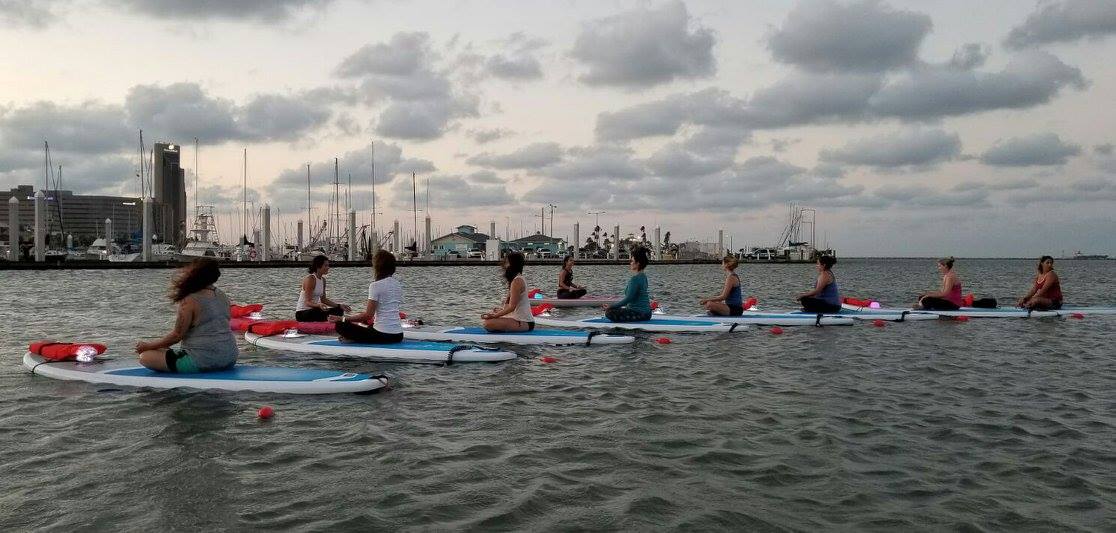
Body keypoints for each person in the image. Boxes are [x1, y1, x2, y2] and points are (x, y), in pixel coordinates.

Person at [134, 258, 238, 373]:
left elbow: (177, 336)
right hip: (230, 357)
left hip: (202, 361)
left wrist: (147, 346)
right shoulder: (222, 295)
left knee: (145, 356)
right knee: (162, 349)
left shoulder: (189, 300)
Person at [329, 250, 404, 344]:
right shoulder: (397, 284)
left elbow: (368, 315)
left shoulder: (375, 286)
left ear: (377, 267)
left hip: (383, 336)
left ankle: (352, 339)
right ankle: (354, 338)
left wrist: (342, 318)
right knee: (368, 325)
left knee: (340, 325)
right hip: (398, 335)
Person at [482, 252, 535, 332]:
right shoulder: (516, 279)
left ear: (512, 264)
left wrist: (494, 316)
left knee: (487, 323)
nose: (504, 266)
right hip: (518, 319)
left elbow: (512, 307)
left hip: (525, 322)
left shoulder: (517, 281)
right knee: (491, 317)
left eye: (506, 263)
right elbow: (511, 306)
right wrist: (499, 311)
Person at [295, 255, 350, 321]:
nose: (328, 267)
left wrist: (339, 305)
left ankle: (335, 320)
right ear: (318, 266)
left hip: (315, 310)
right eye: (326, 266)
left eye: (328, 265)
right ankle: (329, 320)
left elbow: (324, 299)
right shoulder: (311, 279)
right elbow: (307, 302)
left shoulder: (323, 280)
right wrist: (319, 305)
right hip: (302, 313)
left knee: (339, 310)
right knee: (318, 311)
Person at [606, 247, 653, 322]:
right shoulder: (644, 277)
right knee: (616, 309)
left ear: (638, 263)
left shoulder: (634, 279)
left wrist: (611, 307)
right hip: (648, 313)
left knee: (609, 312)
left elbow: (628, 299)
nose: (630, 263)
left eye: (632, 261)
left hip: (640, 314)